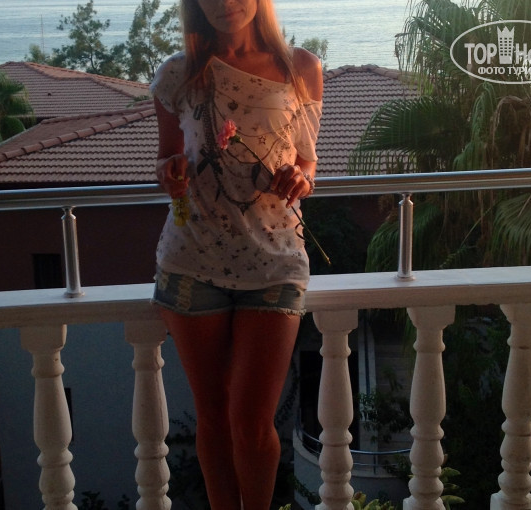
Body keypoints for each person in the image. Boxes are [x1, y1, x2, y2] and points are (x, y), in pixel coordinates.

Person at [149, 0, 323, 508]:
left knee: (251, 424)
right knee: (214, 416)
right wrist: (170, 173)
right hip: (192, 260)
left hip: (275, 262)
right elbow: (166, 159)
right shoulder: (178, 73)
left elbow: (308, 160)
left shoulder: (301, 68)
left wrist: (301, 179)